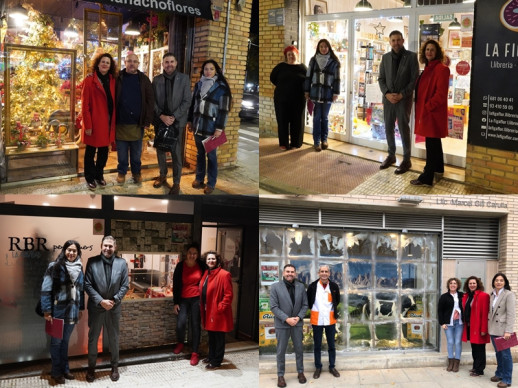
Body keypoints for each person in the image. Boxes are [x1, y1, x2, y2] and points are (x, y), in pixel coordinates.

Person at [84, 235, 129, 382]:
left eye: (110, 246)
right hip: (97, 307)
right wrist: (101, 301)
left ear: (115, 247)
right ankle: (91, 368)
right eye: (105, 245)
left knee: (114, 338)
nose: (107, 249)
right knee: (93, 339)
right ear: (101, 246)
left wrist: (114, 300)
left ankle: (114, 367)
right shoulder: (92, 262)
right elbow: (87, 285)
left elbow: (125, 285)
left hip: (114, 307)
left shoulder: (122, 263)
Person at [40, 240, 84, 385]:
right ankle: (56, 371)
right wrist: (47, 311)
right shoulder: (54, 266)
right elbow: (46, 289)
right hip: (57, 310)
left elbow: (80, 290)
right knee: (56, 342)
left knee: (65, 341)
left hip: (72, 310)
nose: (71, 253)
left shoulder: (79, 268)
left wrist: (81, 308)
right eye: (69, 250)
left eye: (74, 251)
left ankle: (65, 369)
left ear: (78, 253)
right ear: (64, 250)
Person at [187, 59, 232, 195]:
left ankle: (211, 183)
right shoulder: (199, 85)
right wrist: (190, 121)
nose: (208, 71)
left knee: (211, 156)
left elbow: (224, 110)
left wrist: (219, 128)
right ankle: (199, 178)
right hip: (198, 126)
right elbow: (192, 104)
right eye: (206, 69)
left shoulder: (221, 88)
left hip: (211, 128)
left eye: (211, 69)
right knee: (200, 154)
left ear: (216, 71)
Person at [378, 30, 419, 174]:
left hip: (404, 100)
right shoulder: (385, 58)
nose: (396, 43)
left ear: (403, 41)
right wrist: (387, 94)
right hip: (388, 99)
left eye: (398, 40)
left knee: (403, 128)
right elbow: (381, 79)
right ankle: (391, 156)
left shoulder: (412, 57)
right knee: (388, 127)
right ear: (389, 42)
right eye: (393, 40)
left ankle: (407, 160)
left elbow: (414, 79)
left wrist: (402, 94)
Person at [410, 39, 450, 186]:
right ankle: (439, 170)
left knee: (431, 146)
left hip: (432, 114)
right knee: (434, 143)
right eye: (427, 49)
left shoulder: (441, 69)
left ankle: (427, 177)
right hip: (427, 112)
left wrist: (427, 107)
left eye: (432, 50)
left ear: (437, 52)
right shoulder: (428, 68)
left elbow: (440, 94)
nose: (429, 52)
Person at [152, 53, 192, 195]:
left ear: (176, 63)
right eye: (166, 62)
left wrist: (174, 116)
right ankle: (162, 175)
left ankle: (176, 182)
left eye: (171, 62)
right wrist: (162, 116)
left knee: (176, 152)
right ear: (162, 64)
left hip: (177, 122)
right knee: (161, 150)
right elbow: (153, 101)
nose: (169, 64)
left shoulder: (184, 79)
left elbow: (187, 100)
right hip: (161, 121)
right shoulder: (156, 80)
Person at [115, 53, 154, 185]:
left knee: (136, 154)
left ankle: (136, 173)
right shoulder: (118, 77)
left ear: (138, 64)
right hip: (120, 122)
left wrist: (147, 120)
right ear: (125, 63)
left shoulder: (143, 79)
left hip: (138, 123)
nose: (132, 63)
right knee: (122, 154)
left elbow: (150, 100)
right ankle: (121, 172)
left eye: (135, 61)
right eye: (129, 61)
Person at [81, 53, 117, 190]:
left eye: (108, 63)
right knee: (90, 152)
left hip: (108, 122)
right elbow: (85, 106)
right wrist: (88, 125)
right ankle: (89, 177)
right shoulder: (90, 80)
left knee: (103, 151)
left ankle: (99, 175)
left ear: (110, 66)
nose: (105, 64)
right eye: (103, 62)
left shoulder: (113, 80)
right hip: (95, 122)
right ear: (98, 63)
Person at [270, 264, 308, 388]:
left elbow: (305, 305)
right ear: (283, 273)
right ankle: (280, 375)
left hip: (297, 323)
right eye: (287, 271)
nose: (290, 273)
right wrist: (286, 318)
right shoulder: (275, 287)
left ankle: (300, 372)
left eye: (292, 272)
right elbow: (274, 307)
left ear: (295, 273)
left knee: (299, 349)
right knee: (281, 351)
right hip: (282, 324)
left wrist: (298, 317)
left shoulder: (301, 286)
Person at [172, 243, 207, 366]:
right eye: (190, 253)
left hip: (197, 299)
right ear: (186, 254)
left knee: (195, 325)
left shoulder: (202, 265)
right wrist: (175, 302)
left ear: (197, 255)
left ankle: (195, 352)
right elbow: (175, 284)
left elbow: (208, 280)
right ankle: (180, 342)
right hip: (183, 299)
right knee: (181, 323)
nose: (192, 255)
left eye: (195, 253)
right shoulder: (181, 266)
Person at [304, 39, 340, 152]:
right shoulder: (313, 60)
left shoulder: (334, 62)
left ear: (329, 47)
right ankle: (316, 142)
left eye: (325, 46)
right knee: (316, 118)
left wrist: (336, 93)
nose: (323, 49)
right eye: (321, 47)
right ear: (318, 48)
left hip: (328, 94)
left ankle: (324, 140)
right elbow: (308, 76)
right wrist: (307, 91)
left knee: (324, 117)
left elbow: (337, 79)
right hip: (315, 94)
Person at [199, 251, 233, 370]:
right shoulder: (206, 273)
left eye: (213, 259)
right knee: (211, 336)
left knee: (218, 338)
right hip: (208, 310)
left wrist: (220, 308)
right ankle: (211, 356)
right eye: (209, 259)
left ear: (217, 260)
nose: (211, 261)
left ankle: (216, 361)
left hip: (218, 313)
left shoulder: (224, 274)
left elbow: (228, 295)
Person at [270, 46, 308, 150]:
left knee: (297, 121)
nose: (291, 56)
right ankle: (284, 143)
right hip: (281, 100)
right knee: (282, 121)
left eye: (293, 53)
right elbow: (272, 78)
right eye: (289, 54)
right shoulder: (281, 67)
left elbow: (308, 82)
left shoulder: (303, 68)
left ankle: (296, 143)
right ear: (286, 56)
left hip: (298, 100)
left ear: (297, 54)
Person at [306, 265, 340, 379]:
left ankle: (332, 367)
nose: (324, 273)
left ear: (329, 273)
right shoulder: (312, 286)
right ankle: (318, 367)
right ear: (318, 273)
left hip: (330, 319)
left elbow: (337, 300)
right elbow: (308, 301)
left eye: (326, 271)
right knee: (317, 345)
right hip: (317, 319)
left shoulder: (334, 286)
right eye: (322, 271)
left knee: (331, 345)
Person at [488, 273, 516, 388]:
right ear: (493, 282)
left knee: (506, 355)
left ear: (505, 282)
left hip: (504, 330)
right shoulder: (492, 294)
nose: (498, 282)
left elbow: (511, 314)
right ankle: (499, 374)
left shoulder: (508, 294)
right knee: (498, 353)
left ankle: (507, 379)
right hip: (494, 329)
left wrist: (508, 330)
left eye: (501, 280)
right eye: (496, 280)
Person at [461, 276, 490, 377]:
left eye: (474, 283)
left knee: (480, 349)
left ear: (478, 284)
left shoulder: (483, 296)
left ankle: (479, 370)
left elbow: (485, 314)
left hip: (479, 327)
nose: (472, 285)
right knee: (474, 348)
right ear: (467, 285)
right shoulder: (467, 296)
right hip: (470, 327)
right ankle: (475, 366)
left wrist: (484, 329)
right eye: (470, 283)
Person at [438, 277, 463, 372]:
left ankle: (456, 363)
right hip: (448, 323)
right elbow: (440, 310)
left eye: (455, 283)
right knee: (450, 342)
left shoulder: (462, 295)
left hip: (459, 323)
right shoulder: (444, 296)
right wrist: (442, 323)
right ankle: (451, 362)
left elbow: (466, 307)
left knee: (457, 342)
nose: (453, 285)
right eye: (451, 283)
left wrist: (459, 311)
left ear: (458, 285)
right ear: (448, 285)